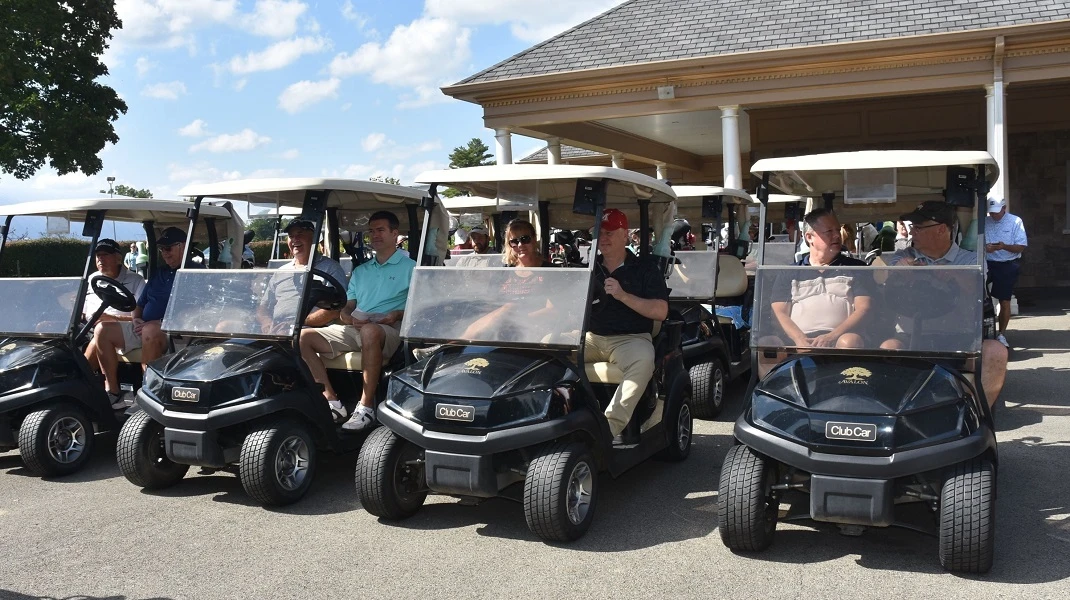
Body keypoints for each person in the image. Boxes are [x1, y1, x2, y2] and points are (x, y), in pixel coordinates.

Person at [880, 201, 1008, 407]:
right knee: (888, 347)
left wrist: (947, 274)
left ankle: (976, 413)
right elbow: (885, 275)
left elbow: (974, 287)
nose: (913, 232)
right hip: (910, 337)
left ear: (942, 229)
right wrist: (901, 271)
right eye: (913, 227)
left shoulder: (969, 261)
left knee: (996, 351)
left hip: (958, 339)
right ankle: (894, 415)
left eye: (919, 228)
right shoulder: (904, 256)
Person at [299, 211, 415, 431]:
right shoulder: (361, 271)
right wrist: (345, 315)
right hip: (358, 328)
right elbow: (349, 304)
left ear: (394, 233)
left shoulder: (411, 268)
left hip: (391, 328)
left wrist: (396, 315)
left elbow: (418, 306)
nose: (375, 235)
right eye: (371, 231)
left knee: (370, 331)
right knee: (303, 337)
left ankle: (366, 407)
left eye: (380, 230)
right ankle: (331, 401)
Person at [586, 208, 669, 441]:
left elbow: (661, 311)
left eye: (610, 232)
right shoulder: (589, 268)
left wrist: (623, 295)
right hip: (591, 337)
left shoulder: (645, 269)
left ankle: (607, 430)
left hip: (630, 339)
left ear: (625, 235)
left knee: (643, 361)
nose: (603, 238)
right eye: (599, 233)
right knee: (549, 349)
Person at [765, 209, 873, 357]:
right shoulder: (789, 272)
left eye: (837, 230)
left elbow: (863, 308)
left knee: (850, 341)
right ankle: (772, 381)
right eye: (829, 231)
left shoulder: (855, 269)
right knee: (768, 344)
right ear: (809, 237)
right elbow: (779, 312)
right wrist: (799, 339)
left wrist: (831, 337)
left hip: (841, 338)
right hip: (797, 340)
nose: (837, 235)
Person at [82, 239, 146, 408]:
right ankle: (78, 386)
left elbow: (138, 317)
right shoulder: (92, 279)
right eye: (98, 256)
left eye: (105, 255)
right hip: (90, 327)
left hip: (126, 328)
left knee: (102, 332)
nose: (100, 259)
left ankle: (111, 391)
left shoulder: (136, 280)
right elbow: (83, 311)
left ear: (118, 258)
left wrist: (111, 319)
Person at [258, 217, 347, 334]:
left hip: (312, 330)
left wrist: (298, 322)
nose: (295, 239)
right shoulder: (281, 272)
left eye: (300, 234)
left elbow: (335, 309)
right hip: (277, 329)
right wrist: (266, 322)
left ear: (314, 238)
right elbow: (263, 306)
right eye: (291, 236)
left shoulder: (330, 268)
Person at [130, 227, 199, 370]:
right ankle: (111, 389)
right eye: (162, 249)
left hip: (176, 332)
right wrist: (136, 319)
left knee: (149, 331)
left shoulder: (196, 273)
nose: (164, 254)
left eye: (168, 248)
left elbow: (195, 311)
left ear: (184, 246)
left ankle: (149, 387)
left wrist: (161, 322)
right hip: (144, 327)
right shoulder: (159, 273)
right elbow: (140, 304)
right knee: (103, 330)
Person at [984, 197, 1027, 347]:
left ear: (1004, 208)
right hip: (987, 263)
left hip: (1007, 264)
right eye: (991, 213)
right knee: (978, 297)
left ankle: (1001, 334)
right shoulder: (984, 221)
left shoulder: (1015, 221)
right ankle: (982, 332)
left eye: (996, 212)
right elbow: (973, 243)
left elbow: (1021, 246)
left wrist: (1003, 246)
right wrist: (985, 248)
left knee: (1005, 300)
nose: (993, 215)